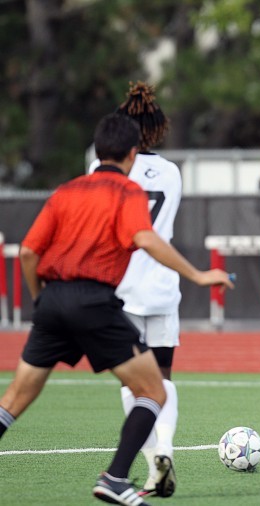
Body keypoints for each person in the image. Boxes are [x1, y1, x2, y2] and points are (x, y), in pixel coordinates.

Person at [0, 113, 233, 506]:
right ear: (131, 153)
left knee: (13, 401)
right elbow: (144, 237)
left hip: (53, 301)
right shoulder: (127, 192)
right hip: (94, 302)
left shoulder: (67, 190)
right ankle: (115, 477)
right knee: (154, 390)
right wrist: (196, 275)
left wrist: (41, 298)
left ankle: (118, 478)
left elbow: (27, 251)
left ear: (97, 151)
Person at [88, 82, 183, 497]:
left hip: (121, 289)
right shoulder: (172, 172)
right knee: (162, 378)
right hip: (162, 286)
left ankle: (149, 468)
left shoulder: (100, 172)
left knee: (133, 385)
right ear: (157, 129)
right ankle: (165, 448)